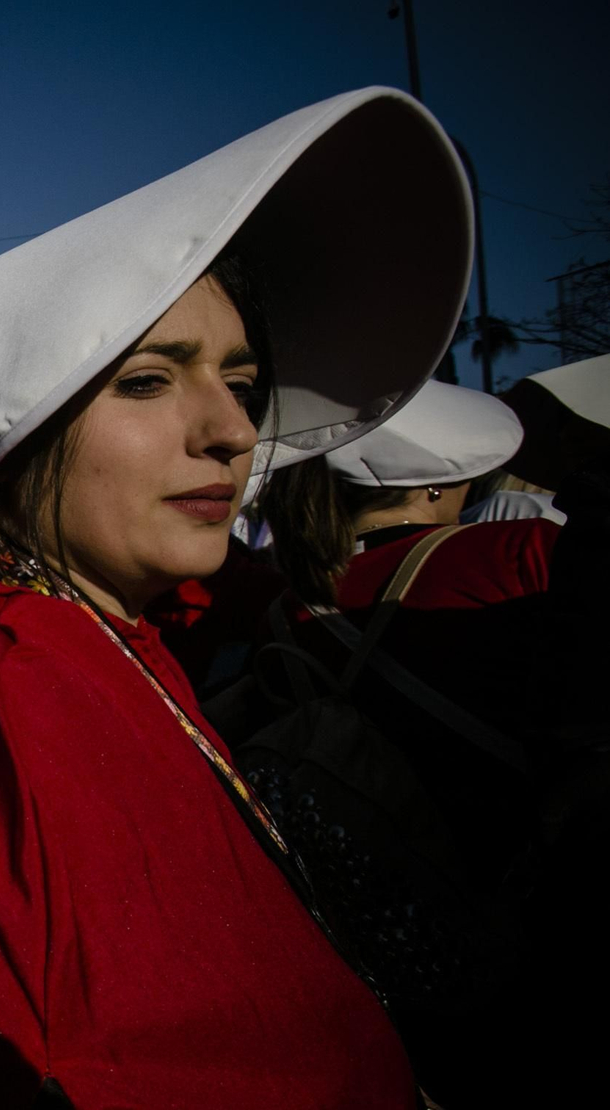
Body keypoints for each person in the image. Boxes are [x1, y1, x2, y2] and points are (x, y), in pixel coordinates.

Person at [0, 87, 473, 1107]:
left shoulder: (84, 639)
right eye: (147, 379)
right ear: (15, 447)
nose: (229, 428)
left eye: (240, 378)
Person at [259, 381, 587, 1106]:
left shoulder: (284, 606)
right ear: (441, 486)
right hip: (536, 917)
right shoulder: (520, 552)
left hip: (397, 941)